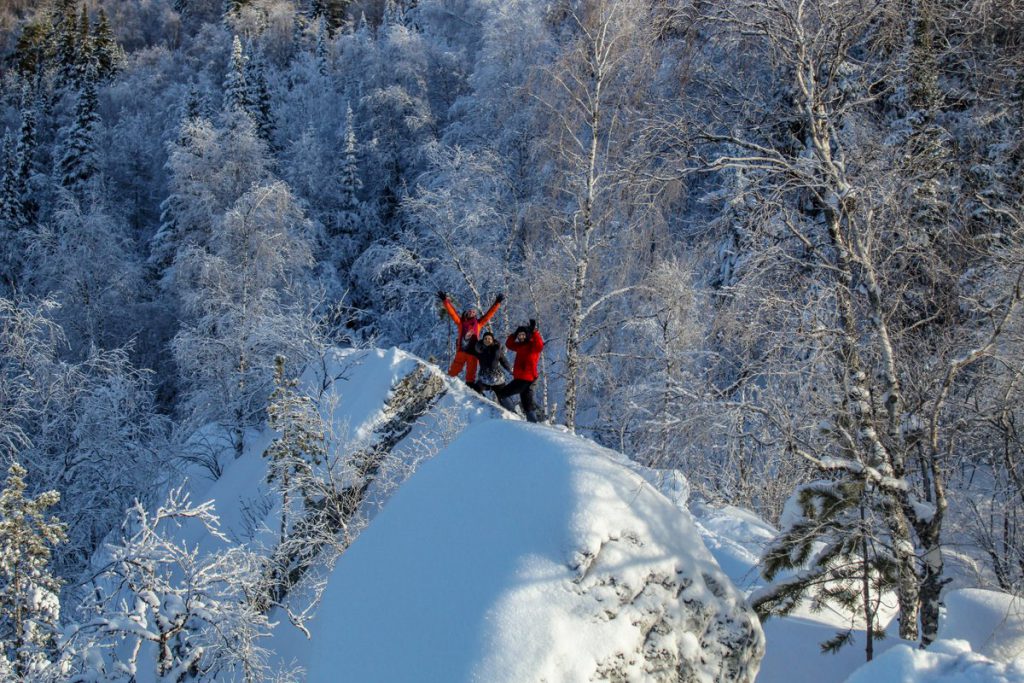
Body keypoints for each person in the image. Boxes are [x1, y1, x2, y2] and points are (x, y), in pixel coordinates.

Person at [437, 290, 503, 386]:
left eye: (474, 311)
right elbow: (452, 313)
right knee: (454, 371)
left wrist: (497, 303)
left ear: (475, 313)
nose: (472, 312)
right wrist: (445, 300)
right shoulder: (461, 322)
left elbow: (489, 315)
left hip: (473, 352)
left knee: (471, 373)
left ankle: (470, 387)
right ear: (466, 312)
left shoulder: (479, 324)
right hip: (461, 351)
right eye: (470, 311)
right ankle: (446, 384)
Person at [496, 318, 544, 423]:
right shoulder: (520, 346)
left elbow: (540, 345)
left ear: (527, 335)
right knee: (527, 404)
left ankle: (512, 415)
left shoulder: (532, 346)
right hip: (521, 378)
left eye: (523, 335)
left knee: (502, 394)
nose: (521, 337)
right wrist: (514, 334)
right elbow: (509, 344)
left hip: (526, 379)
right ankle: (533, 424)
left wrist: (534, 331)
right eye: (519, 335)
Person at [472, 330, 512, 397]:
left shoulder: (497, 350)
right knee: (475, 392)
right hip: (484, 377)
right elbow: (468, 351)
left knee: (504, 396)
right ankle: (484, 402)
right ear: (483, 340)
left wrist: (510, 369)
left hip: (497, 378)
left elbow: (504, 361)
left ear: (492, 340)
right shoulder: (479, 350)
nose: (487, 340)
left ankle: (510, 407)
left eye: (489, 339)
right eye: (486, 338)